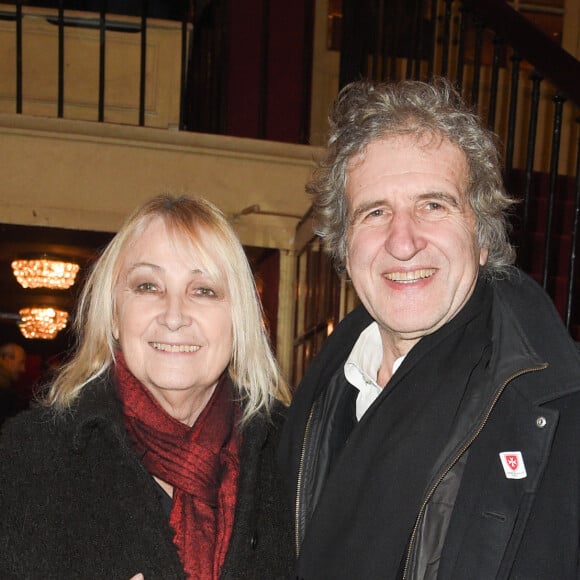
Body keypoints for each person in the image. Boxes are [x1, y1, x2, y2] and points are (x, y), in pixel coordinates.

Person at [278, 78, 580, 579]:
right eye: (375, 212)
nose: (402, 241)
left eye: (433, 205)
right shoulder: (316, 398)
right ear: (345, 247)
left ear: (481, 239)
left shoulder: (561, 413)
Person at [0, 195, 293, 579]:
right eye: (148, 286)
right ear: (115, 315)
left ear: (239, 320)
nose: (174, 316)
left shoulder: (291, 455)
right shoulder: (26, 457)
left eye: (203, 290)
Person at [0, 342, 27, 424]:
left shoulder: (7, 390)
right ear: (7, 359)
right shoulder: (6, 395)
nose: (23, 369)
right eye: (21, 362)